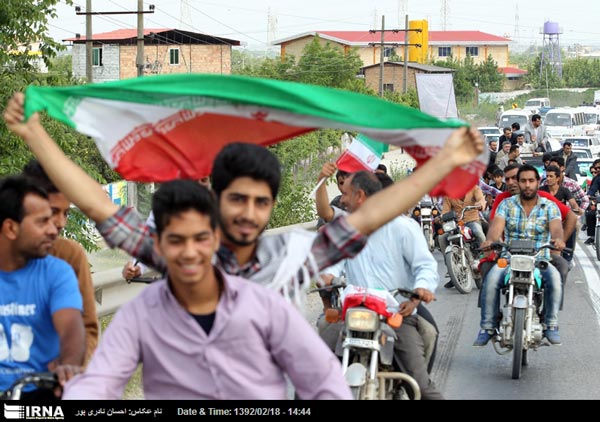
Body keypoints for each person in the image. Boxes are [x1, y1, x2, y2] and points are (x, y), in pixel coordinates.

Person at [4, 92, 484, 301]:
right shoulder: (180, 252)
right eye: (237, 200)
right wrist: (35, 136)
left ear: (271, 208)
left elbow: (371, 214)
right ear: (217, 198)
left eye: (261, 203)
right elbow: (98, 205)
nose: (248, 214)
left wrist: (444, 162)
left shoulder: (287, 257)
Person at [62, 180, 352, 399]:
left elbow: (324, 380)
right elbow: (99, 383)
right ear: (158, 247)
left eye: (200, 239)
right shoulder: (141, 314)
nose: (189, 253)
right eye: (176, 240)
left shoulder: (263, 305)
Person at [319, 171, 443, 400]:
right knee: (308, 377)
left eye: (345, 194)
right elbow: (332, 263)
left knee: (422, 388)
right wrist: (327, 275)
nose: (342, 200)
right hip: (353, 314)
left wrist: (420, 290)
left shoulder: (404, 227)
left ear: (360, 196)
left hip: (396, 314)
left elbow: (425, 266)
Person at [0, 176, 85, 398]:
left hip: (39, 392)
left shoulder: (57, 272)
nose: (54, 229)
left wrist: (68, 365)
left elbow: (71, 329)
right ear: (10, 228)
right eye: (42, 222)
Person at [474, 165, 565, 347]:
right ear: (518, 183)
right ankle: (487, 327)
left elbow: (556, 229)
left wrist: (558, 240)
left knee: (555, 280)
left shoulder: (550, 206)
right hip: (509, 258)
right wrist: (490, 241)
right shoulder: (506, 205)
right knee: (491, 281)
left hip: (539, 259)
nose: (527, 185)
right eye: (523, 181)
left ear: (538, 183)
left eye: (531, 181)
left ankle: (551, 324)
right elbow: (496, 229)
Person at [22, 160, 99, 361]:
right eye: (53, 212)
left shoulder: (69, 255)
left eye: (66, 213)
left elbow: (88, 326)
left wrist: (72, 367)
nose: (61, 223)